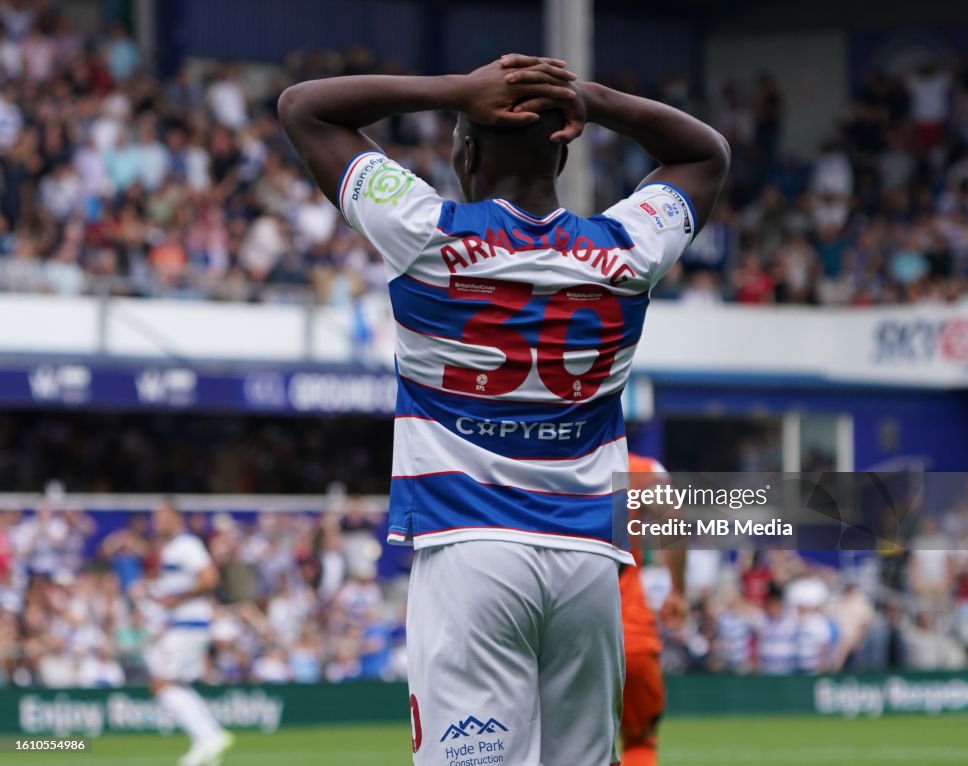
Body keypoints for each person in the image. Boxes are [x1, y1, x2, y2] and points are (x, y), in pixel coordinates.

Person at [279, 53, 728, 766]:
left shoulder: (427, 234)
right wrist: (587, 95)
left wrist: (456, 89)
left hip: (469, 548)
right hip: (588, 561)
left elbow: (305, 106)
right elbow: (705, 154)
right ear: (565, 143)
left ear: (467, 149)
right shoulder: (627, 248)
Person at [144, 502, 234, 766]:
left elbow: (209, 578)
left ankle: (208, 737)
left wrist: (176, 599)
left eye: (161, 515)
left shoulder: (187, 545)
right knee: (176, 683)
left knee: (161, 683)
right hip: (183, 622)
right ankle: (209, 741)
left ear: (175, 517)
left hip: (190, 623)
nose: (156, 521)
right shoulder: (173, 548)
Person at [621, 452, 687, 766]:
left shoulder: (522, 459)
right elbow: (671, 517)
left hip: (548, 626)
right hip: (624, 626)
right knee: (639, 739)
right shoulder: (637, 468)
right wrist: (677, 592)